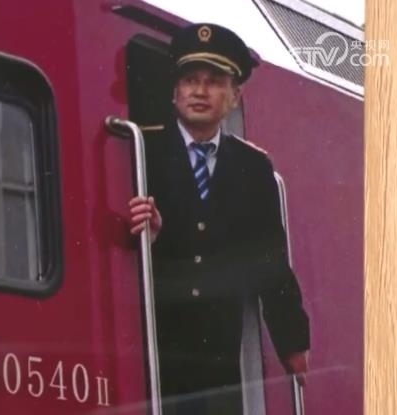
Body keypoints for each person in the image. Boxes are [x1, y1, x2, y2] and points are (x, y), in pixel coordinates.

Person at [128, 23, 310, 414]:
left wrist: (293, 343)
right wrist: (151, 236)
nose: (199, 91)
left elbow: (271, 262)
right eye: (190, 80)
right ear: (175, 92)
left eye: (213, 82)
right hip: (151, 349)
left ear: (234, 96)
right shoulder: (139, 149)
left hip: (219, 359)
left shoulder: (253, 167)